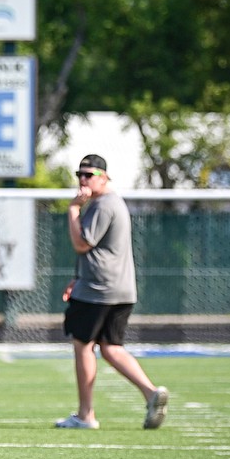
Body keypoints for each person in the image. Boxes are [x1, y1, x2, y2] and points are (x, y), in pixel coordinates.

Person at [57, 154, 169, 431]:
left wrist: (73, 210)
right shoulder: (107, 203)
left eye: (89, 174)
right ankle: (150, 392)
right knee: (111, 348)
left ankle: (86, 415)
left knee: (83, 346)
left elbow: (83, 244)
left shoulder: (103, 205)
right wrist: (76, 277)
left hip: (98, 290)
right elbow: (98, 250)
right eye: (79, 175)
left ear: (104, 177)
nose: (83, 180)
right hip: (119, 288)